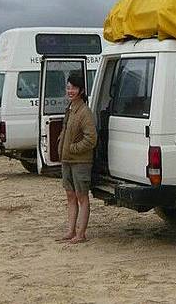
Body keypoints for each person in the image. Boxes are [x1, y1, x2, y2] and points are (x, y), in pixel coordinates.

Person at [56, 73, 97, 244]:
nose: (70, 90)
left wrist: (73, 148)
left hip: (80, 162)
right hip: (67, 160)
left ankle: (81, 233)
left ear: (81, 90)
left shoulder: (84, 112)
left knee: (82, 197)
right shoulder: (71, 109)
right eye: (68, 87)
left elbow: (91, 138)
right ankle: (71, 231)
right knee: (70, 196)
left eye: (73, 87)